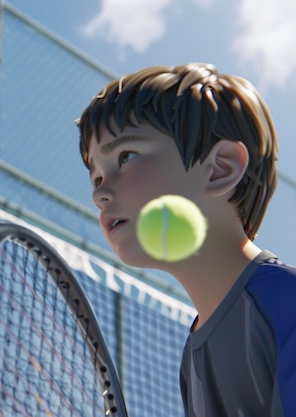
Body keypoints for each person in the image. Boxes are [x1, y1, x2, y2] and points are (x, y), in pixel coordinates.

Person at [77, 63, 296, 416]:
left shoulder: (287, 300)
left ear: (220, 168)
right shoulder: (191, 357)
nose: (99, 193)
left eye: (126, 156)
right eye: (97, 177)